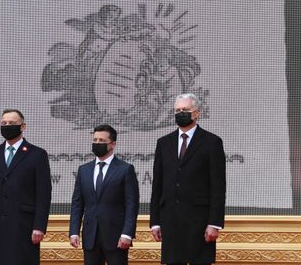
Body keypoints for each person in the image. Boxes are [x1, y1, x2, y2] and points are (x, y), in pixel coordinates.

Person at [150, 93, 226, 265]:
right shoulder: (164, 143)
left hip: (199, 222)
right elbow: (158, 185)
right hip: (171, 222)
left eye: (185, 109)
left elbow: (218, 186)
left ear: (196, 113)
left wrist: (214, 223)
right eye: (177, 110)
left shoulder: (211, 142)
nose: (180, 113)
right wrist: (155, 222)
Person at [0, 109, 52, 265]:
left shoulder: (37, 154)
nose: (7, 126)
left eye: (12, 123)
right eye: (4, 123)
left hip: (24, 225)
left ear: (23, 126)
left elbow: (43, 194)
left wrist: (39, 226)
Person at [69, 124, 139, 265]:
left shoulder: (125, 169)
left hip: (117, 237)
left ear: (113, 144)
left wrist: (127, 234)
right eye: (95, 140)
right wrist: (74, 231)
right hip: (90, 236)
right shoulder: (84, 170)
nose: (97, 143)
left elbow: (132, 204)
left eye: (102, 141)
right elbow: (77, 203)